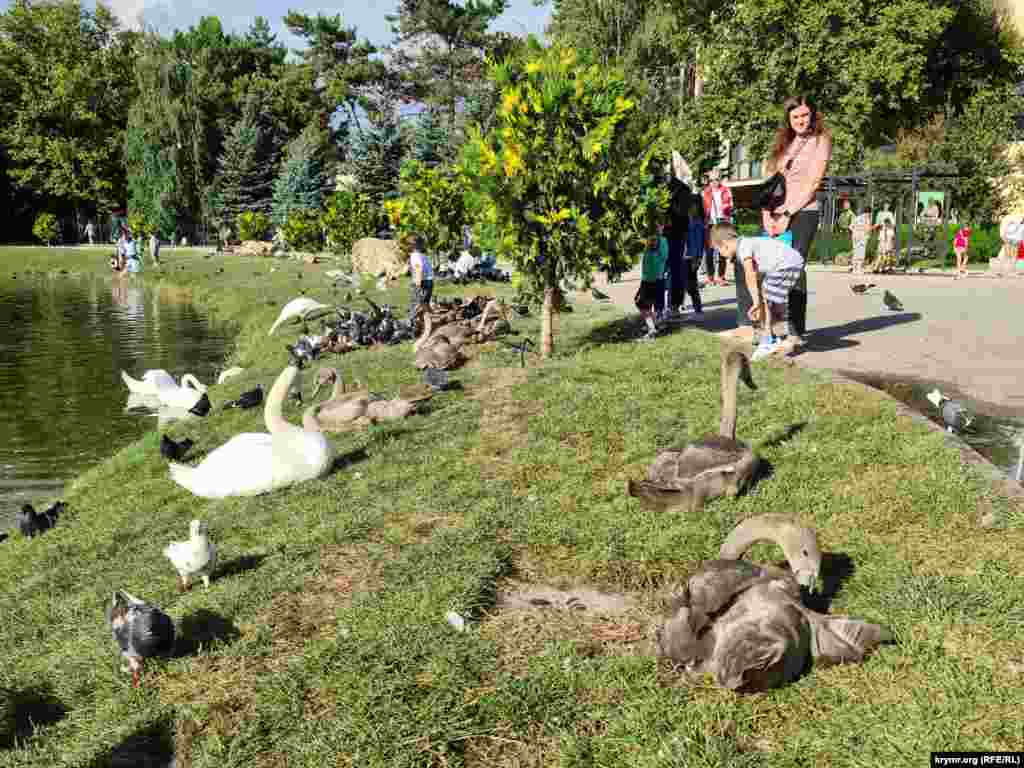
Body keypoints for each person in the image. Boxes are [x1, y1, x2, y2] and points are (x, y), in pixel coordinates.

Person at [761, 94, 833, 351]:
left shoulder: (821, 141)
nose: (801, 121)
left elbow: (813, 183)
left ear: (812, 115)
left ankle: (795, 332)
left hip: (803, 212)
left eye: (805, 115)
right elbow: (769, 184)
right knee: (771, 267)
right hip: (776, 214)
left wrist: (788, 214)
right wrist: (768, 216)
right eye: (795, 117)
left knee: (794, 265)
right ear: (788, 119)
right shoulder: (783, 144)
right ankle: (771, 326)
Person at [711, 223, 805, 361]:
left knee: (767, 294)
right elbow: (757, 276)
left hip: (788, 264)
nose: (721, 255)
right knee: (767, 295)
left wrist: (755, 303)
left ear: (724, 244)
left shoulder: (743, 247)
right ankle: (770, 336)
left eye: (719, 251)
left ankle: (769, 339)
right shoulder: (747, 242)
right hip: (791, 262)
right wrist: (759, 302)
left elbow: (750, 274)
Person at [664, 159, 693, 317]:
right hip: (661, 235)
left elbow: (682, 214)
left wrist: (668, 207)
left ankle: (674, 305)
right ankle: (660, 306)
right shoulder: (658, 187)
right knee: (661, 271)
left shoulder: (683, 190)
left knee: (674, 271)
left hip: (676, 234)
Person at [634, 224, 669, 341]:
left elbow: (661, 258)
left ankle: (652, 328)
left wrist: (654, 243)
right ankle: (653, 325)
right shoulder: (655, 239)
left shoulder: (659, 241)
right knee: (642, 303)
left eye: (660, 225)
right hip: (649, 278)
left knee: (643, 304)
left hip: (653, 279)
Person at [702, 169, 733, 286]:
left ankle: (721, 277)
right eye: (711, 180)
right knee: (709, 251)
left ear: (720, 179)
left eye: (716, 179)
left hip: (722, 222)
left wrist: (726, 209)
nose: (713, 182)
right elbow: (702, 208)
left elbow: (730, 206)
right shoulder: (705, 192)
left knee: (722, 251)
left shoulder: (726, 191)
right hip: (709, 224)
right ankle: (710, 277)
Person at [683, 199, 705, 317]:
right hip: (683, 256)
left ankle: (698, 308)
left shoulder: (698, 224)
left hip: (692, 257)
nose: (693, 210)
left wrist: (698, 257)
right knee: (683, 283)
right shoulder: (683, 222)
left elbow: (700, 243)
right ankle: (677, 305)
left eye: (695, 207)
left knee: (691, 285)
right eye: (691, 207)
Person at [407, 233, 434, 321]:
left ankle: (412, 322)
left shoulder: (414, 256)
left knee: (417, 304)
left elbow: (419, 267)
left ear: (412, 246)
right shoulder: (423, 256)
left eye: (407, 244)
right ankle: (428, 319)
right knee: (425, 303)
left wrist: (417, 284)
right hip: (429, 281)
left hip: (422, 282)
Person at [849, 205, 878, 278]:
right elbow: (867, 229)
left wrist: (855, 232)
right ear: (868, 213)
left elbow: (850, 227)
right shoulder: (866, 219)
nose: (870, 215)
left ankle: (854, 269)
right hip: (861, 238)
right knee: (860, 253)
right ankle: (858, 269)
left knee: (856, 252)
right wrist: (875, 226)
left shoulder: (857, 218)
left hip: (855, 237)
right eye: (870, 213)